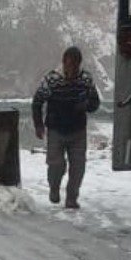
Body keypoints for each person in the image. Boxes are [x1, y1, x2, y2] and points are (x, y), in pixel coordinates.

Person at [31, 45, 100, 209]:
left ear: (79, 65)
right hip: (56, 129)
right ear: (64, 63)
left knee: (78, 167)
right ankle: (54, 188)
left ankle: (71, 198)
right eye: (69, 66)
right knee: (56, 164)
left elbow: (95, 103)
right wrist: (39, 126)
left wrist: (85, 105)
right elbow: (37, 102)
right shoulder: (52, 80)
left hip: (78, 131)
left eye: (75, 67)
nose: (71, 71)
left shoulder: (85, 80)